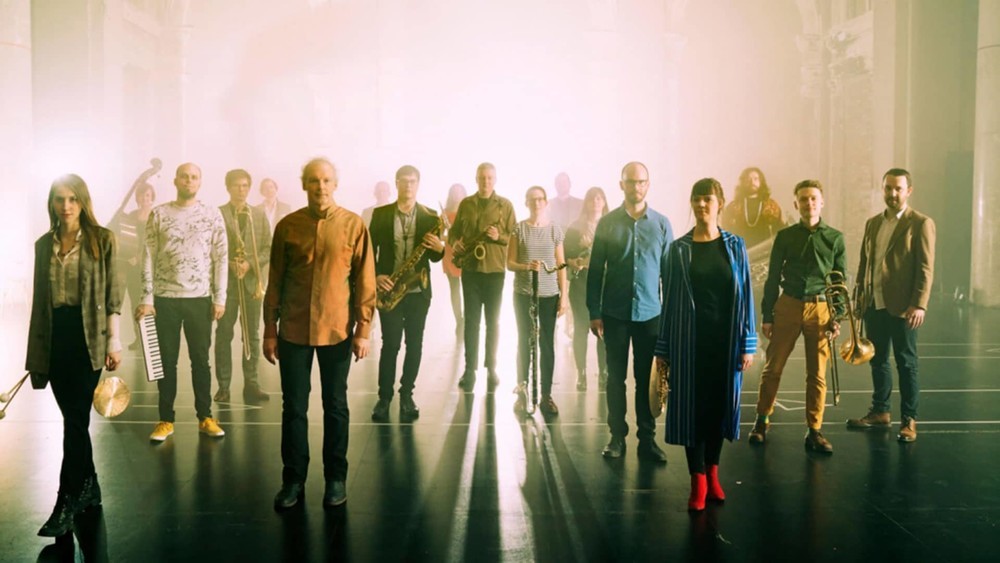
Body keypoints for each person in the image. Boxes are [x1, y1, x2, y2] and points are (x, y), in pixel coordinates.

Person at [265, 158, 376, 510]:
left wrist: (363, 329)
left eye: (326, 180)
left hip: (338, 330)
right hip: (293, 330)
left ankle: (335, 479)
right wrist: (269, 330)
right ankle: (293, 480)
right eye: (314, 180)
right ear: (304, 185)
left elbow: (365, 281)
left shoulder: (354, 225)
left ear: (335, 184)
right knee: (294, 409)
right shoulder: (287, 226)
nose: (320, 186)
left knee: (336, 406)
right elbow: (275, 281)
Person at [26, 175, 124, 537]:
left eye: (72, 199)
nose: (65, 206)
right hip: (55, 337)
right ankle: (90, 486)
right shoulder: (43, 245)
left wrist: (114, 341)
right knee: (74, 418)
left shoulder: (102, 239)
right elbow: (40, 301)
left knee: (76, 420)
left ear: (82, 202)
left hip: (89, 339)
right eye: (59, 199)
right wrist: (36, 350)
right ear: (52, 204)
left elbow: (114, 293)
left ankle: (65, 502)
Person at [654, 178, 756, 511]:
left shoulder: (735, 246)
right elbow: (669, 301)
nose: (701, 205)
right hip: (688, 343)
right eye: (696, 199)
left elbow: (746, 295)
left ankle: (713, 474)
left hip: (725, 344)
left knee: (718, 409)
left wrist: (748, 343)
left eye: (707, 199)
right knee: (691, 413)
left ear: (719, 203)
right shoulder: (678, 249)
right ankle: (697, 480)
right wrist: (663, 349)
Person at [748, 179, 845, 454]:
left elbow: (839, 281)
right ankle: (762, 421)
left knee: (817, 374)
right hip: (788, 305)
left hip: (821, 308)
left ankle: (815, 430)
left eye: (813, 198)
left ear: (822, 202)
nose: (808, 203)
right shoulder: (784, 236)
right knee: (772, 368)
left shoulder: (835, 238)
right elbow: (772, 279)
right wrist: (767, 315)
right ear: (796, 204)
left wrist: (837, 316)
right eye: (803, 199)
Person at [587, 161, 673, 463]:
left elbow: (669, 275)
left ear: (647, 185)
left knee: (647, 381)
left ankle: (647, 440)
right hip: (615, 314)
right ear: (621, 185)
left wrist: (669, 318)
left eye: (641, 182)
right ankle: (616, 437)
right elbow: (595, 270)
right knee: (615, 379)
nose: (636, 187)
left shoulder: (661, 224)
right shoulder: (608, 223)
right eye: (631, 181)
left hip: (651, 315)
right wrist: (594, 311)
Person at [137, 162, 228, 442]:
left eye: (194, 177)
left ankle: (205, 417)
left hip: (200, 299)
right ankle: (166, 420)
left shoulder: (212, 215)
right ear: (175, 181)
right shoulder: (159, 214)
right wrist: (147, 297)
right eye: (184, 177)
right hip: (165, 299)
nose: (189, 181)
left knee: (200, 361)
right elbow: (148, 255)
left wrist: (220, 297)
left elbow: (221, 256)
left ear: (200, 182)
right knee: (166, 362)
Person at [847, 168, 936, 442]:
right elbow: (865, 263)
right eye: (888, 188)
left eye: (898, 189)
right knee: (878, 360)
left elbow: (925, 268)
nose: (892, 194)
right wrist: (859, 296)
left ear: (909, 191)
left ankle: (909, 420)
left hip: (904, 306)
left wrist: (919, 304)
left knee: (906, 364)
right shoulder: (873, 223)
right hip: (874, 303)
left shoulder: (920, 223)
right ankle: (880, 412)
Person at [369, 165, 445, 422]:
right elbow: (369, 251)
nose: (408, 185)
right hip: (389, 289)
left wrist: (440, 248)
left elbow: (434, 258)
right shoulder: (381, 215)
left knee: (414, 344)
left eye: (412, 181)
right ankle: (384, 397)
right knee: (390, 344)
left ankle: (407, 395)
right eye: (403, 181)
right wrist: (376, 276)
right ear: (397, 183)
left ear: (418, 184)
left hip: (417, 291)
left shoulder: (431, 216)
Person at [448, 162, 516, 392]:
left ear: (494, 180)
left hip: (495, 272)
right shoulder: (466, 204)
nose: (485, 181)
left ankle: (492, 368)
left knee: (493, 322)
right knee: (471, 322)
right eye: (482, 177)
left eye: (489, 178)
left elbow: (514, 237)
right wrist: (455, 243)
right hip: (470, 270)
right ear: (476, 179)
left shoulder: (505, 205)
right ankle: (470, 369)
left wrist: (499, 236)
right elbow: (453, 233)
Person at [507, 186, 569, 415]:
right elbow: (510, 263)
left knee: (547, 344)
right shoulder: (519, 229)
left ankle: (546, 395)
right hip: (524, 295)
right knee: (524, 341)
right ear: (526, 202)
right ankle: (522, 392)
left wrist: (564, 297)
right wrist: (527, 267)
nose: (537, 203)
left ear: (546, 202)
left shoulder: (554, 230)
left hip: (549, 295)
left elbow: (561, 265)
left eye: (540, 199)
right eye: (532, 199)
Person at [215, 169, 273, 405]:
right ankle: (224, 387)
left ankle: (252, 384)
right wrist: (228, 264)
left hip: (251, 284)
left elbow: (267, 248)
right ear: (228, 188)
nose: (241, 190)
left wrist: (249, 263)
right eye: (237, 185)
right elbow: (211, 247)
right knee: (224, 335)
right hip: (226, 285)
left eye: (245, 186)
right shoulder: (217, 214)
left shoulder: (258, 214)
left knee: (252, 336)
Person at [564, 187, 610, 391]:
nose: (596, 202)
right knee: (581, 328)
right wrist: (575, 258)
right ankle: (581, 373)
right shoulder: (575, 227)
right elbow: (566, 254)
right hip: (582, 281)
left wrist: (592, 244)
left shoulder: (611, 225)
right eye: (592, 198)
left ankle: (604, 372)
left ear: (604, 202)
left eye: (600, 198)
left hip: (606, 282)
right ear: (586, 202)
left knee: (604, 329)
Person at [118, 182, 155, 349]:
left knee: (147, 302)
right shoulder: (131, 215)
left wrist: (140, 257)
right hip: (131, 266)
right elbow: (125, 238)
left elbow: (154, 241)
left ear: (152, 197)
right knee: (135, 302)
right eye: (142, 195)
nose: (145, 198)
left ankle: (149, 340)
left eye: (148, 195)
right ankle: (139, 338)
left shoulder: (155, 215)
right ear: (137, 197)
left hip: (149, 266)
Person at [721, 167, 784, 248]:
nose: (752, 182)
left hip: (766, 251)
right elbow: (726, 231)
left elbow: (780, 231)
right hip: (741, 250)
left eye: (756, 179)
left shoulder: (771, 205)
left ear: (761, 182)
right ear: (743, 182)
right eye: (748, 179)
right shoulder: (733, 206)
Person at [442, 183, 467, 333]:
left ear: (464, 194)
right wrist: (451, 239)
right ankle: (459, 320)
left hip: (465, 252)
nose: (457, 195)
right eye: (454, 192)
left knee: (468, 288)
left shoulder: (468, 211)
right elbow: (439, 236)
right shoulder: (444, 213)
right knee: (454, 289)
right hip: (450, 254)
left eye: (460, 192)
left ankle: (468, 318)